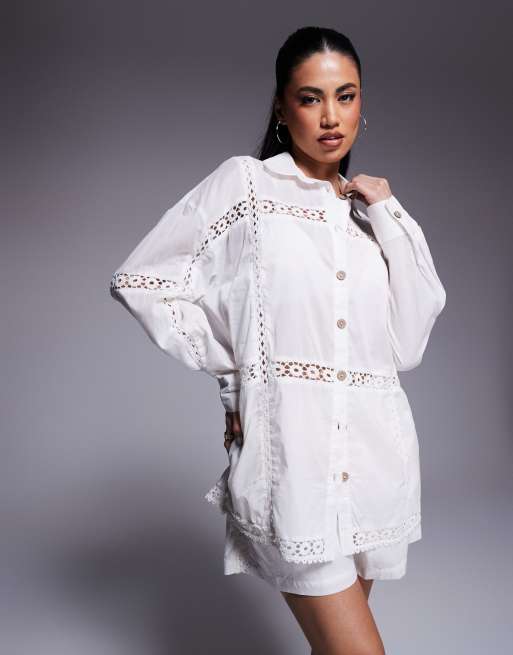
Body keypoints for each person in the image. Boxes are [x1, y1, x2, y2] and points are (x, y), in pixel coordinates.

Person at [110, 25, 447, 655]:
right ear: (281, 107)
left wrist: (389, 213)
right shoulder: (247, 187)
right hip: (294, 468)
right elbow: (143, 279)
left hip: (375, 467)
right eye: (310, 97)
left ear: (362, 104)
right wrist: (235, 379)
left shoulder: (367, 217)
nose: (331, 117)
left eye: (346, 96)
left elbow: (407, 346)